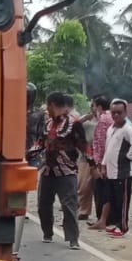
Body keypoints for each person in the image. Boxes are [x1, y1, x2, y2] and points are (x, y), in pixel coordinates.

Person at [38, 92, 81, 248]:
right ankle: (47, 232)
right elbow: (40, 143)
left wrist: (92, 163)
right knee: (43, 204)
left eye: (48, 106)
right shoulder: (48, 124)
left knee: (69, 205)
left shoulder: (74, 124)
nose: (47, 110)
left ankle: (73, 238)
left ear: (52, 105)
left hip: (66, 170)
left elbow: (83, 144)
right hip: (47, 170)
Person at [99, 98, 132, 238]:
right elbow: (108, 149)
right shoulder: (111, 129)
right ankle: (116, 224)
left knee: (123, 201)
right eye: (113, 112)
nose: (116, 115)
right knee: (114, 200)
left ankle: (124, 227)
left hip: (123, 172)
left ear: (125, 112)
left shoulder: (127, 129)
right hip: (112, 171)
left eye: (119, 112)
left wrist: (128, 157)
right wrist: (104, 164)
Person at [87, 95, 114, 228]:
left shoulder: (104, 119)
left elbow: (101, 143)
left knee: (102, 190)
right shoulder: (108, 117)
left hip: (103, 161)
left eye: (93, 106)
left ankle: (102, 220)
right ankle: (103, 219)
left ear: (98, 106)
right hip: (108, 160)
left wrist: (98, 163)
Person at [77, 97, 105, 222]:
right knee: (83, 186)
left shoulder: (105, 121)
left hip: (100, 157)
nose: (93, 108)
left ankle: (101, 214)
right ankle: (84, 210)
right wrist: (84, 118)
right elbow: (74, 126)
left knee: (100, 187)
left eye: (95, 106)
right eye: (92, 106)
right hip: (86, 157)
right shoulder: (86, 122)